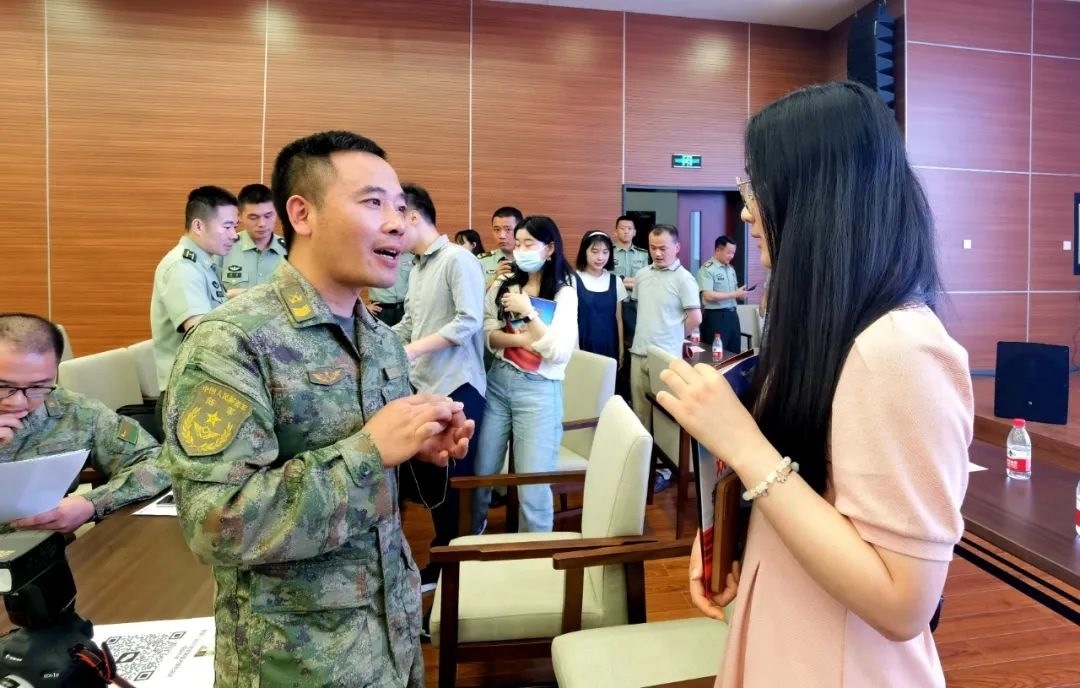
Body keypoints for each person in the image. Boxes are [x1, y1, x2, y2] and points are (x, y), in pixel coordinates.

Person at [656, 82, 973, 688]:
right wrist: (732, 538)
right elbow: (814, 494)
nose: (746, 211)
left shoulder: (900, 348)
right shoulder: (827, 330)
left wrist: (743, 445)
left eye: (756, 187)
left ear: (818, 195)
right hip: (791, 628)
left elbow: (904, 603)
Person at [161, 131, 474, 687]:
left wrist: (418, 453)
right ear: (302, 214)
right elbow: (217, 526)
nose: (398, 224)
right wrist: (370, 451)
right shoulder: (231, 342)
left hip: (393, 634)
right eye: (374, 203)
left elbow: (381, 485)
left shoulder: (379, 339)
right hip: (299, 661)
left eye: (401, 207)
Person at [393, 183, 487, 590]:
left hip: (459, 382)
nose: (391, 231)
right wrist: (379, 342)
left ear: (414, 216)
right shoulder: (416, 268)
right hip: (426, 382)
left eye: (396, 220)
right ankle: (444, 555)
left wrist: (413, 349)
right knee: (434, 480)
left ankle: (455, 565)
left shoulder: (457, 259)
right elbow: (411, 325)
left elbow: (469, 321)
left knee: (453, 482)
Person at [0, 313, 169, 534]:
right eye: (3, 386)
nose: (18, 401)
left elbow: (157, 463)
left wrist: (92, 504)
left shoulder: (77, 412)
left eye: (38, 387)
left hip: (39, 546)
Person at [473, 216, 577, 533]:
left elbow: (558, 352)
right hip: (498, 383)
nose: (520, 249)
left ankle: (536, 552)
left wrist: (528, 312)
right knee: (481, 473)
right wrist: (522, 340)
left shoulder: (564, 292)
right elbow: (488, 335)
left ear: (549, 249)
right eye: (518, 243)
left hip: (539, 392)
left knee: (533, 485)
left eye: (529, 243)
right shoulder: (506, 285)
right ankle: (471, 535)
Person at [150, 185, 238, 393]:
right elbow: (201, 332)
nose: (234, 235)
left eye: (235, 226)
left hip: (203, 383)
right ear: (198, 226)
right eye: (227, 227)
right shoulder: (182, 266)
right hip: (186, 391)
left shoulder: (202, 264)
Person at [627, 224, 701, 433]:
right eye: (653, 248)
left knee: (666, 417)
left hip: (665, 357)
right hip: (638, 353)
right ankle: (644, 455)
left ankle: (666, 457)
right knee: (640, 415)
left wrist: (674, 336)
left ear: (677, 247)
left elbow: (695, 318)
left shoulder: (684, 279)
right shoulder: (641, 274)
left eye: (663, 248)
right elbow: (640, 307)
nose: (657, 253)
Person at [220, 183, 287, 297]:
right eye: (253, 217)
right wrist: (230, 295)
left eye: (268, 216)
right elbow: (208, 295)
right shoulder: (222, 249)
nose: (262, 224)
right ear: (239, 216)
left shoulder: (291, 250)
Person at [573, 230, 626, 363]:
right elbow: (569, 320)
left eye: (605, 252)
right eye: (595, 251)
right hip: (582, 345)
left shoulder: (616, 281)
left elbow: (618, 319)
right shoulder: (573, 279)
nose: (600, 257)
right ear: (584, 251)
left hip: (609, 345)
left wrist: (620, 348)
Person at [697, 236, 746, 353]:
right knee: (717, 354)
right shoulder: (707, 269)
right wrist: (734, 293)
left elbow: (733, 292)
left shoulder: (730, 269)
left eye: (733, 253)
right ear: (718, 250)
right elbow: (708, 295)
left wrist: (740, 294)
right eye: (728, 252)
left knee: (734, 352)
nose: (731, 256)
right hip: (716, 317)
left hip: (733, 316)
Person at [611, 215, 649, 342]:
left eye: (629, 228)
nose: (626, 231)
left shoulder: (643, 254)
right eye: (622, 228)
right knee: (615, 338)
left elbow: (645, 281)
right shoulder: (608, 253)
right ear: (615, 232)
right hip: (614, 302)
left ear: (634, 232)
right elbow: (608, 280)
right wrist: (633, 282)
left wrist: (620, 280)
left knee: (634, 339)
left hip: (635, 303)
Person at [367, 247, 414, 327]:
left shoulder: (411, 257)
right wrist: (362, 307)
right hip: (381, 310)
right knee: (381, 335)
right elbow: (351, 281)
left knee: (404, 335)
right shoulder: (373, 255)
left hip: (405, 309)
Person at [478, 206, 522, 288]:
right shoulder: (481, 261)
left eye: (508, 229)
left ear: (520, 230)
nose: (502, 236)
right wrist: (495, 279)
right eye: (497, 230)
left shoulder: (530, 261)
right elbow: (472, 293)